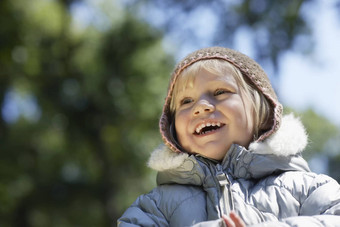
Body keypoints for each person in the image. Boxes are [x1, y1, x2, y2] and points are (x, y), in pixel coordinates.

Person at [117, 47, 340, 226]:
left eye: (220, 92)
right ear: (172, 131)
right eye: (186, 102)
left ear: (261, 113)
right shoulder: (156, 206)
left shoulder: (304, 188)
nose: (201, 107)